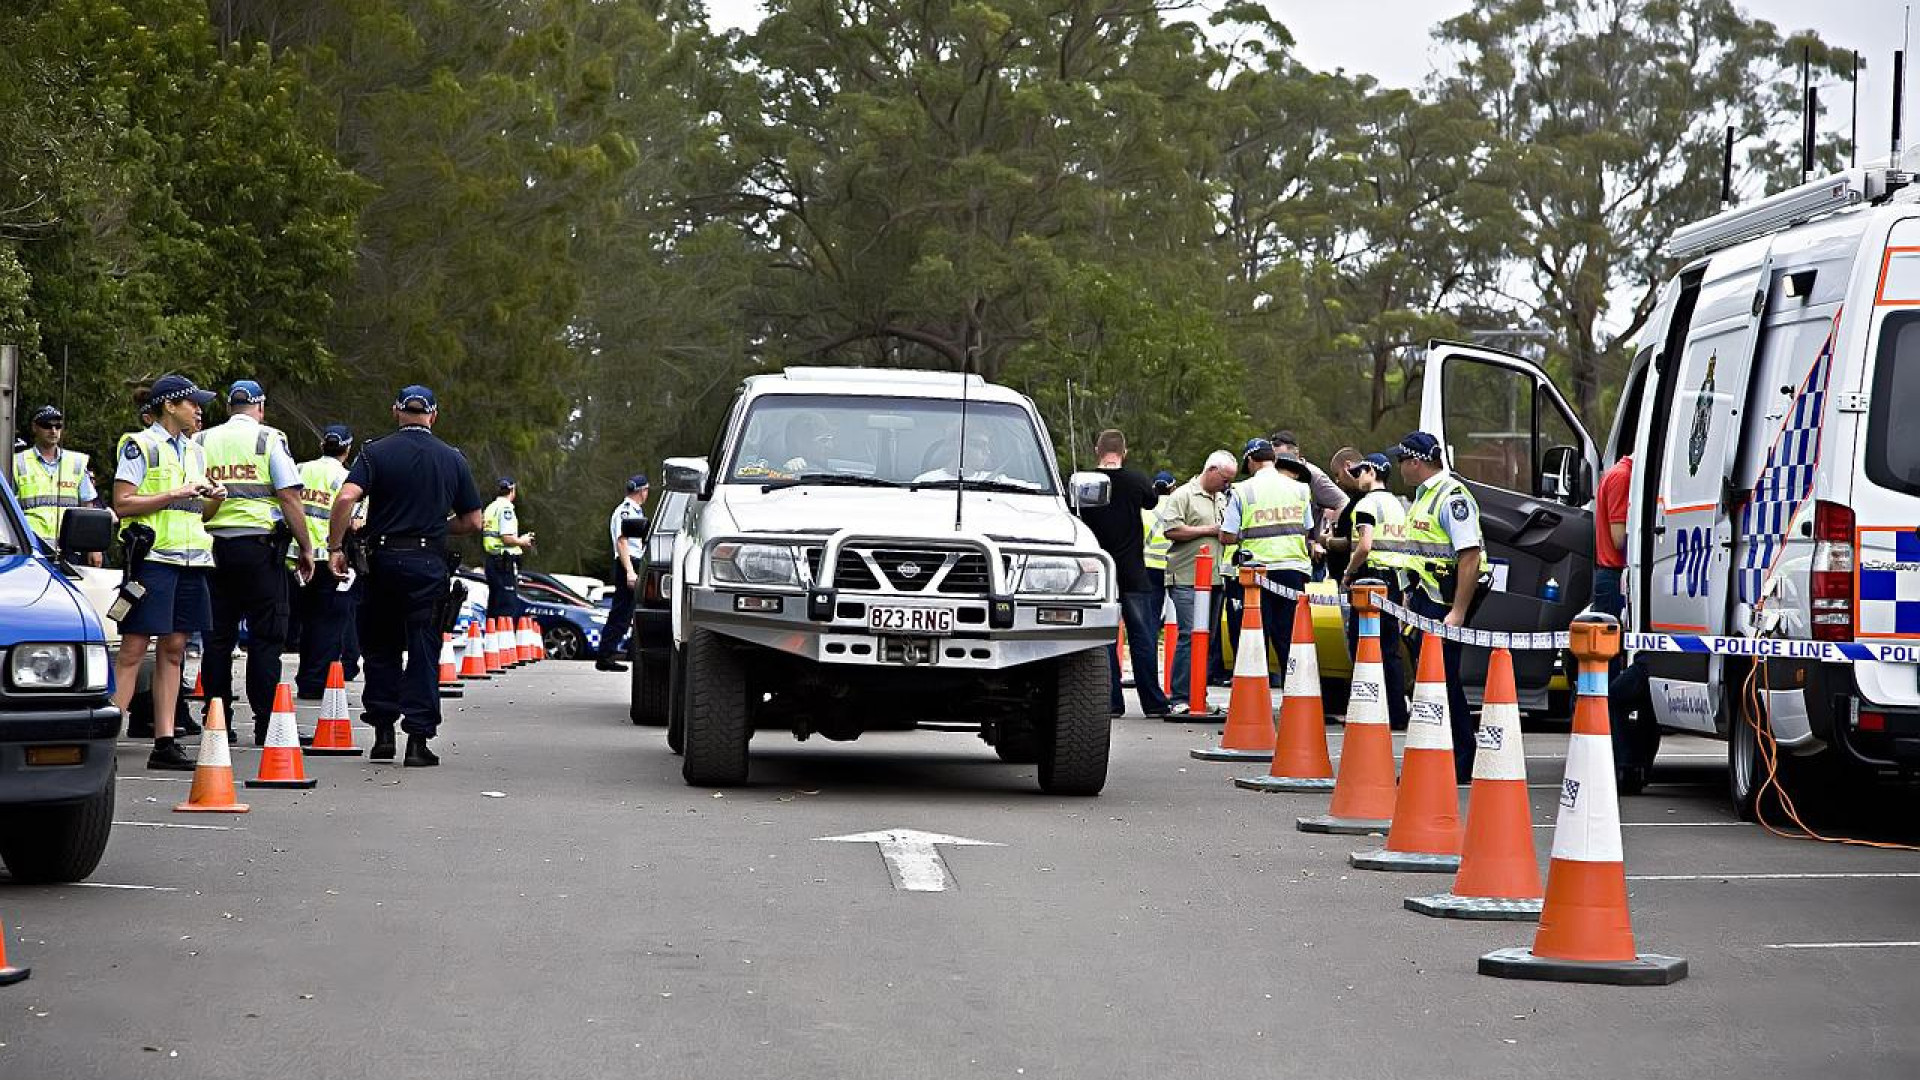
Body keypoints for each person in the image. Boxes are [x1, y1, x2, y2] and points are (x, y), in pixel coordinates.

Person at [328, 385, 483, 767]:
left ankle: (382, 734)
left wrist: (335, 547)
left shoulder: (375, 452)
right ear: (433, 414)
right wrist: (435, 526)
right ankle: (417, 740)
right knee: (423, 649)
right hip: (428, 563)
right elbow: (473, 521)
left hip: (381, 561)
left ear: (397, 411)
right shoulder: (452, 459)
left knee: (380, 647)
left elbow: (347, 498)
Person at [109, 375, 223, 771]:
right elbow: (122, 504)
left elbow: (199, 513)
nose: (199, 410)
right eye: (193, 403)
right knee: (134, 649)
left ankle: (165, 740)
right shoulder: (140, 445)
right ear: (171, 406)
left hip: (191, 561)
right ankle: (108, 742)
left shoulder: (196, 450)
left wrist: (214, 500)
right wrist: (174, 493)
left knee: (174, 650)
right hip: (153, 560)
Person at [197, 380, 314, 745]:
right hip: (260, 551)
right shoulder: (268, 439)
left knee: (217, 639)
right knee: (266, 638)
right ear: (260, 407)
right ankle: (266, 722)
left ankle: (217, 720)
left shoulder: (202, 440)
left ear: (230, 406)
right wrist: (306, 547)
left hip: (211, 549)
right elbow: (290, 497)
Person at [1392, 431, 1484, 782]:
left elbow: (1470, 556)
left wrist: (1458, 612)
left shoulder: (1451, 497)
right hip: (1423, 601)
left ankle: (1461, 758)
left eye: (1401, 461)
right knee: (1431, 682)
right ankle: (1439, 757)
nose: (1400, 468)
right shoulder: (1423, 497)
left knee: (1443, 682)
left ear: (1415, 461)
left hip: (1443, 605)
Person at [1076, 430, 1170, 717]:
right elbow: (1151, 502)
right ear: (1124, 452)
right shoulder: (1136, 480)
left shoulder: (1084, 482)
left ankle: (1111, 702)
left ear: (1097, 450)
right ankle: (1153, 703)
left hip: (1097, 572)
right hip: (1132, 570)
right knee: (1142, 637)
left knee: (1103, 638)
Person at [1220, 439, 1317, 689]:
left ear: (1251, 461)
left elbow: (1228, 534)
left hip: (1258, 574)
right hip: (1293, 570)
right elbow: (1307, 529)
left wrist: (1244, 534)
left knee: (1255, 638)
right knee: (1289, 640)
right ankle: (1296, 698)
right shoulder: (1299, 489)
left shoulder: (1243, 490)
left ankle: (1254, 700)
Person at [1592, 454, 1658, 791]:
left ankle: (1629, 761)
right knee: (1617, 679)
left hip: (1616, 578)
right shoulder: (1622, 478)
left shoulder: (1620, 474)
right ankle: (1620, 761)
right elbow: (1620, 538)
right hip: (1615, 577)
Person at [1338, 453, 1416, 730]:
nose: (1357, 477)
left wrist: (1348, 573)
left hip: (1370, 579)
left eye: (1360, 472)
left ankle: (1365, 710)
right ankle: (1396, 712)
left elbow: (1365, 545)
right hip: (1394, 581)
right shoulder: (1398, 505)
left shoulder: (1366, 504)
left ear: (1371, 472)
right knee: (1390, 650)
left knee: (1363, 647)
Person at [1159, 450, 1237, 716]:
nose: (1226, 485)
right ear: (1211, 470)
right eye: (1224, 479)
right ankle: (1180, 696)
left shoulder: (1223, 499)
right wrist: (1209, 530)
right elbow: (1171, 530)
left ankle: (1198, 695)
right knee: (1189, 636)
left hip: (1215, 579)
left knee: (1207, 638)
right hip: (1186, 577)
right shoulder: (1183, 495)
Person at [291, 425, 357, 699]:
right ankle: (316, 680)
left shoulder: (300, 469)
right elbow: (354, 521)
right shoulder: (349, 478)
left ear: (322, 446)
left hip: (295, 555)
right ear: (347, 449)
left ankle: (306, 676)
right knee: (327, 623)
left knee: (304, 622)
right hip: (328, 557)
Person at [12, 405, 101, 564]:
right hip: (31, 546)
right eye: (47, 425)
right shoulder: (17, 462)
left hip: (69, 549)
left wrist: (94, 548)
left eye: (57, 426)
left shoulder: (76, 462)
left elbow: (88, 506)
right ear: (34, 427)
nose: (53, 431)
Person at [1271, 430, 1350, 572]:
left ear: (1296, 454)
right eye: (1275, 459)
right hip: (1276, 551)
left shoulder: (1314, 476)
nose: (1278, 464)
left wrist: (1327, 536)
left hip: (1309, 555)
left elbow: (1343, 502)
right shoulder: (1269, 475)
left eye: (1282, 458)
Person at [597, 473, 650, 673]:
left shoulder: (634, 510)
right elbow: (622, 541)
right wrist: (629, 571)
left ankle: (614, 651)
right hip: (627, 563)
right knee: (621, 612)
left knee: (626, 612)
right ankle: (605, 655)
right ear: (642, 491)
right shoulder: (626, 511)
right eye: (646, 490)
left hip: (632, 562)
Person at [482, 477, 534, 620]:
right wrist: (523, 541)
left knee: (495, 606)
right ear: (512, 490)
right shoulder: (506, 509)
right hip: (504, 563)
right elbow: (507, 538)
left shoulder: (491, 507)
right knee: (506, 607)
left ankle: (492, 639)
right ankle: (503, 641)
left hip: (493, 560)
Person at [1142, 469, 1175, 640]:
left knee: (1151, 615)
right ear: (1172, 488)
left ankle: (1151, 647)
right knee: (1177, 615)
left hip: (1149, 567)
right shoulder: (1177, 507)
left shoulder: (1145, 509)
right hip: (1174, 567)